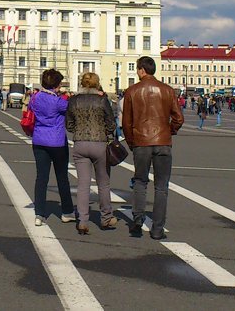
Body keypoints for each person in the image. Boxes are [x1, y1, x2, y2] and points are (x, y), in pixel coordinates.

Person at [121, 56, 184, 240]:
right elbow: (179, 118)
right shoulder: (167, 90)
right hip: (163, 142)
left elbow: (126, 123)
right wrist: (168, 131)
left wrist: (132, 141)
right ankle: (157, 229)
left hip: (141, 142)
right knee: (161, 186)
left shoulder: (132, 91)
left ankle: (138, 222)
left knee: (140, 182)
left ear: (141, 70)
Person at [65, 72, 117, 235]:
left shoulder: (74, 100)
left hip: (80, 143)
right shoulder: (102, 100)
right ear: (97, 84)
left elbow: (68, 123)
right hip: (99, 143)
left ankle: (82, 221)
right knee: (103, 183)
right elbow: (111, 123)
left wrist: (78, 130)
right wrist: (107, 132)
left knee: (83, 185)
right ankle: (106, 217)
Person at [29, 69, 75, 227]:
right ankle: (67, 211)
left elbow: (31, 109)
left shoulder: (35, 98)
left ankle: (39, 213)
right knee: (62, 177)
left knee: (41, 178)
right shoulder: (58, 101)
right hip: (57, 142)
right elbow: (70, 108)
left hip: (39, 139)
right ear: (56, 85)